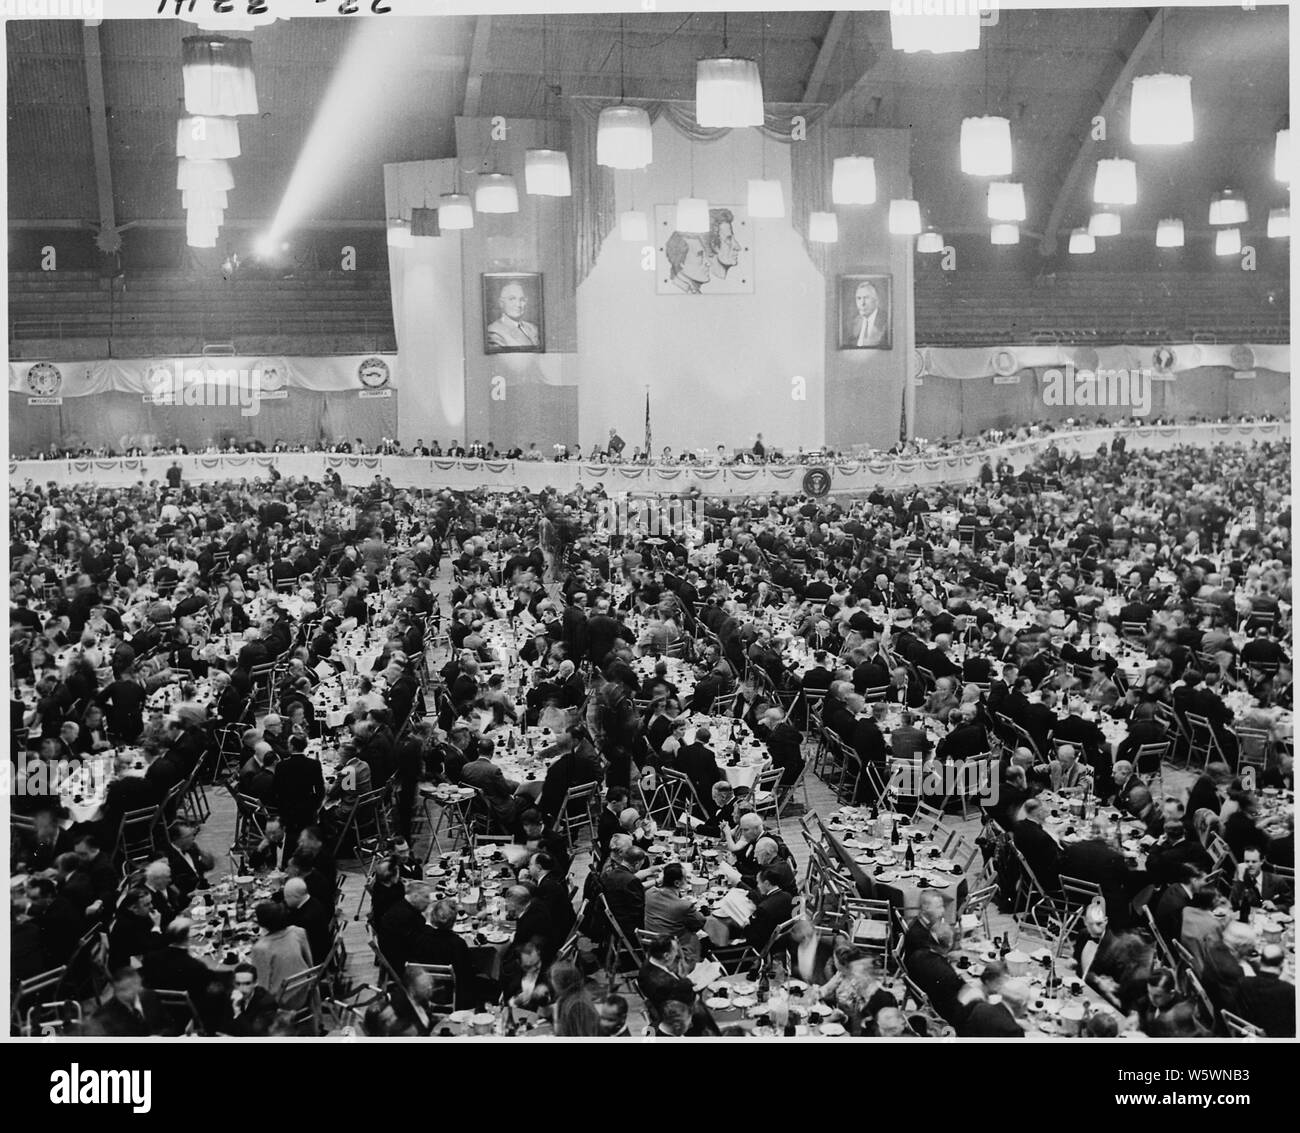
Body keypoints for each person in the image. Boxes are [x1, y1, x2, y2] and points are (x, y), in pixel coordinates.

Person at [249, 900, 313, 1002]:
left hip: (282, 1000)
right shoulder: (298, 931)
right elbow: (310, 965)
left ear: (262, 924)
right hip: (305, 989)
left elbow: (262, 987)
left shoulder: (261, 948)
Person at [1232, 943, 1295, 1037]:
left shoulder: (1243, 982)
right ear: (1282, 964)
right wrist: (1283, 982)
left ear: (1260, 961)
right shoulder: (1288, 990)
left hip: (1249, 1032)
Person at [486, 280, 540, 349]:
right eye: (512, 299)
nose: (518, 305)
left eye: (522, 299)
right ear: (501, 303)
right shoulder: (493, 331)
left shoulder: (533, 328)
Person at [664, 230, 711, 295]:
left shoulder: (693, 292)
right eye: (700, 255)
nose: (708, 263)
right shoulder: (675, 292)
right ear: (681, 262)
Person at [846, 279, 887, 347]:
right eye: (859, 298)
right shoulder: (854, 322)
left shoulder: (886, 322)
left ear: (876, 300)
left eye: (866, 298)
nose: (862, 303)